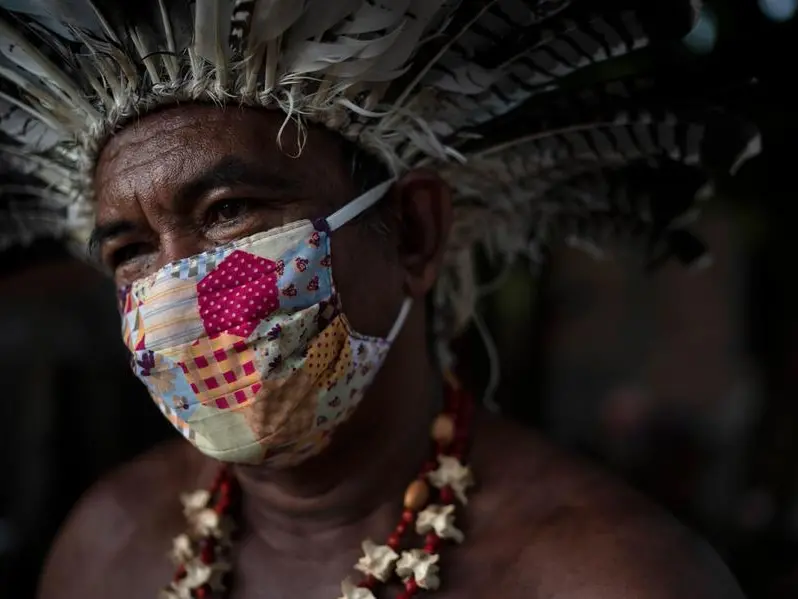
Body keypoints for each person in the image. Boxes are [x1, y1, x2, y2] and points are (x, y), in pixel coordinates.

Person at [0, 1, 758, 598]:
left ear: (415, 234)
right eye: (130, 250)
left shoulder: (614, 577)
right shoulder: (106, 547)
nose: (176, 299)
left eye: (229, 211)